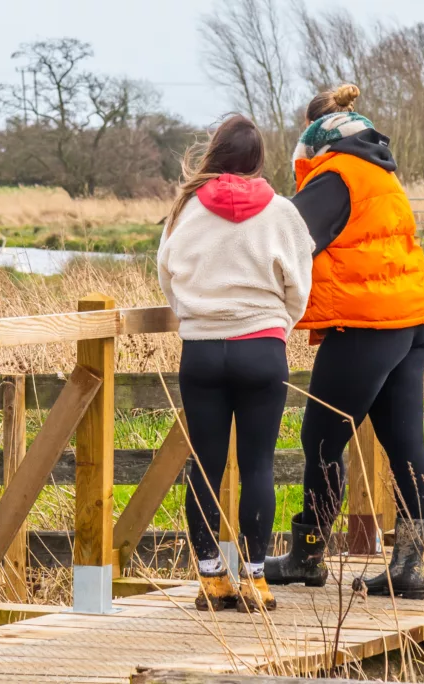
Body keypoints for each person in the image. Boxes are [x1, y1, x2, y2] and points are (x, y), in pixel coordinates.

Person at [265, 85, 424, 600]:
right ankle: (408, 565)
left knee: (321, 437)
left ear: (316, 140)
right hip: (412, 319)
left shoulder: (336, 175)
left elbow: (288, 239)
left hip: (366, 327)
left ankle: (308, 556)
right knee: (405, 442)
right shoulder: (380, 171)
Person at [158, 114, 314, 613]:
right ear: (258, 160)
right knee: (258, 464)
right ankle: (255, 579)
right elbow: (300, 288)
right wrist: (277, 325)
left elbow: (167, 275)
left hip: (202, 349)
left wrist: (193, 316)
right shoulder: (284, 213)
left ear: (216, 154)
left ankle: (211, 579)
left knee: (203, 464)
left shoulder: (184, 210)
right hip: (262, 348)